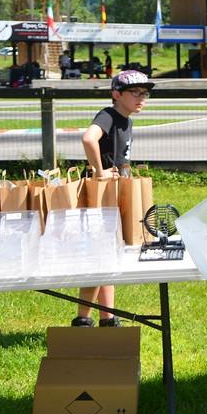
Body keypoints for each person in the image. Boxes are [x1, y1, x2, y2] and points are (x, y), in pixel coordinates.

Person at [73, 69, 154, 328]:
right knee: (98, 256)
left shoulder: (127, 119)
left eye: (145, 93)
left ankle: (106, 318)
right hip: (102, 195)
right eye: (135, 93)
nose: (141, 98)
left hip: (116, 192)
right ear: (116, 94)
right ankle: (83, 318)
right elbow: (88, 138)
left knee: (108, 256)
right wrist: (99, 171)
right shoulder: (108, 116)